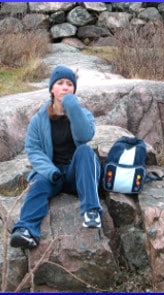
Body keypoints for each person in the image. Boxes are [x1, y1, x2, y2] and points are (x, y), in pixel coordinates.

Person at [10, 65, 103, 249]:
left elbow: (85, 136)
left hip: (77, 175)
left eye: (70, 84)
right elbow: (33, 149)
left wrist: (72, 107)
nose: (65, 87)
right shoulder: (39, 119)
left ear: (74, 89)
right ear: (52, 88)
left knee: (85, 151)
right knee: (38, 184)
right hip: (53, 173)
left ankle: (91, 211)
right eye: (60, 83)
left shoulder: (83, 114)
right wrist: (50, 171)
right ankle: (26, 230)